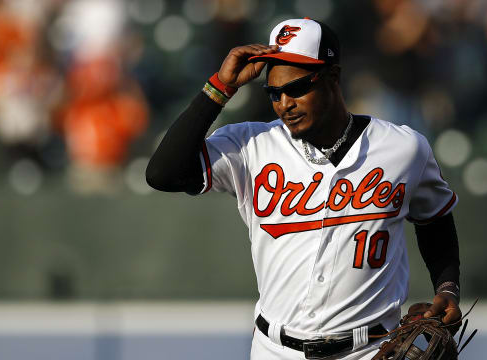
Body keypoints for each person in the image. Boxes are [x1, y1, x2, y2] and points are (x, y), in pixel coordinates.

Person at [146, 18, 461, 360]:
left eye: (296, 88)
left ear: (333, 77)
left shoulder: (403, 149)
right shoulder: (251, 145)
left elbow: (435, 218)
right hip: (274, 350)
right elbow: (164, 173)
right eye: (274, 93)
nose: (284, 103)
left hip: (368, 351)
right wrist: (220, 86)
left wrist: (447, 287)